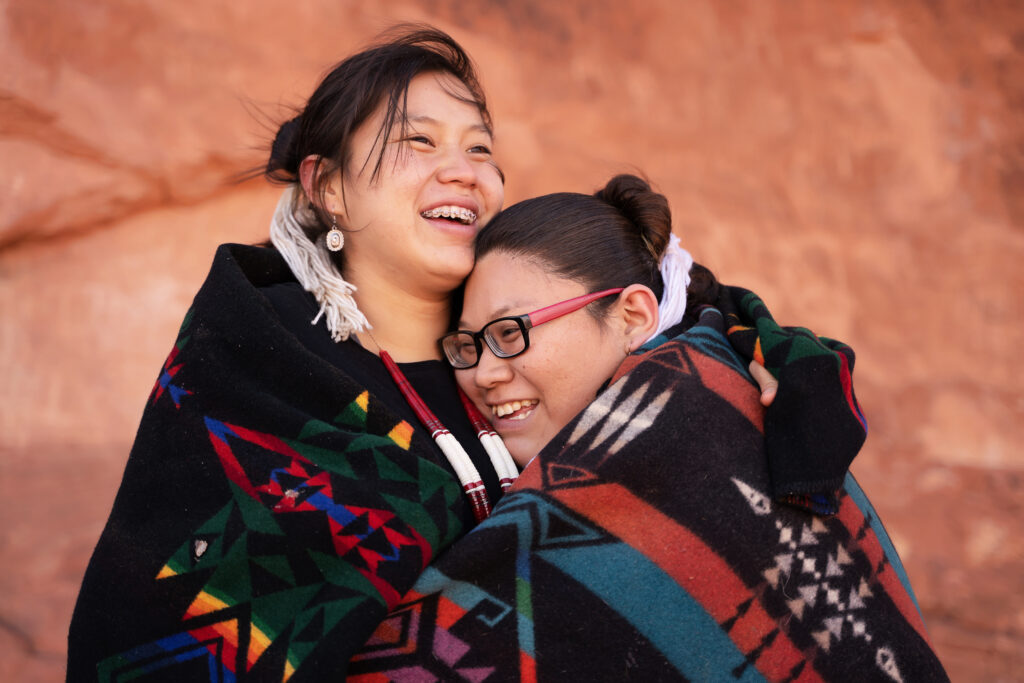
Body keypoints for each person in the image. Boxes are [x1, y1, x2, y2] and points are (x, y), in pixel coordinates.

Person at [66, 26, 833, 682]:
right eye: (418, 142)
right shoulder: (254, 372)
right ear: (326, 185)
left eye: (481, 149)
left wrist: (753, 353)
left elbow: (670, 296)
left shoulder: (540, 337)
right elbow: (160, 633)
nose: (464, 169)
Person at [346, 175, 948, 680]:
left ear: (634, 314)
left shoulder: (693, 429)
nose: (483, 374)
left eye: (511, 332)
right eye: (468, 346)